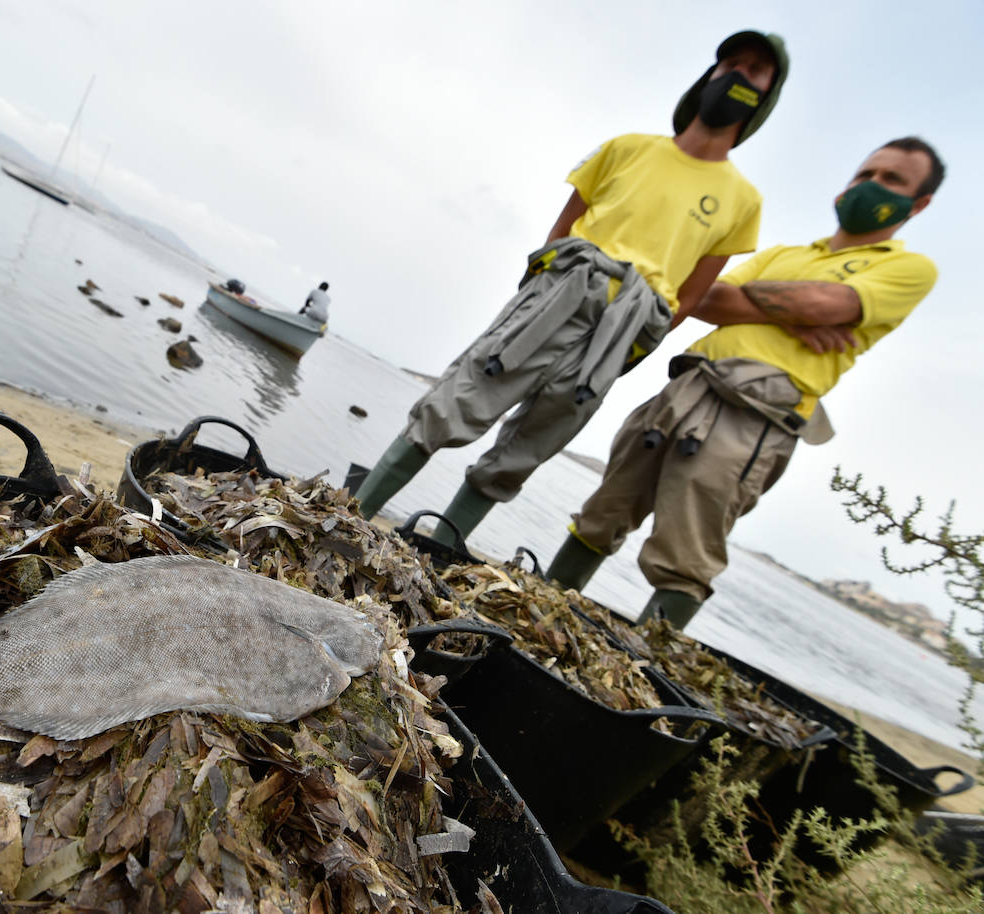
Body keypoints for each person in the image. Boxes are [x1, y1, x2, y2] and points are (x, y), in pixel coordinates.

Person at [352, 31, 788, 544]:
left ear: (767, 97)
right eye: (730, 63)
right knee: (460, 397)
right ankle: (352, 513)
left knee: (536, 438)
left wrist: (637, 334)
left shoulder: (743, 201)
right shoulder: (628, 148)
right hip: (564, 290)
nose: (738, 75)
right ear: (709, 75)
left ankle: (438, 547)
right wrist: (548, 288)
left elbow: (690, 296)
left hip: (627, 322)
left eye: (756, 71)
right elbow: (560, 231)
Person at [545, 137, 943, 628]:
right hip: (689, 385)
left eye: (891, 180)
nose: (870, 186)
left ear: (919, 202)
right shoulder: (784, 253)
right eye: (865, 174)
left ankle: (648, 658)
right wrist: (793, 310)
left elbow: (823, 307)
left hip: (757, 411)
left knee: (687, 544)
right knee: (606, 507)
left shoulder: (908, 268)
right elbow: (705, 298)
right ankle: (545, 606)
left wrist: (782, 304)